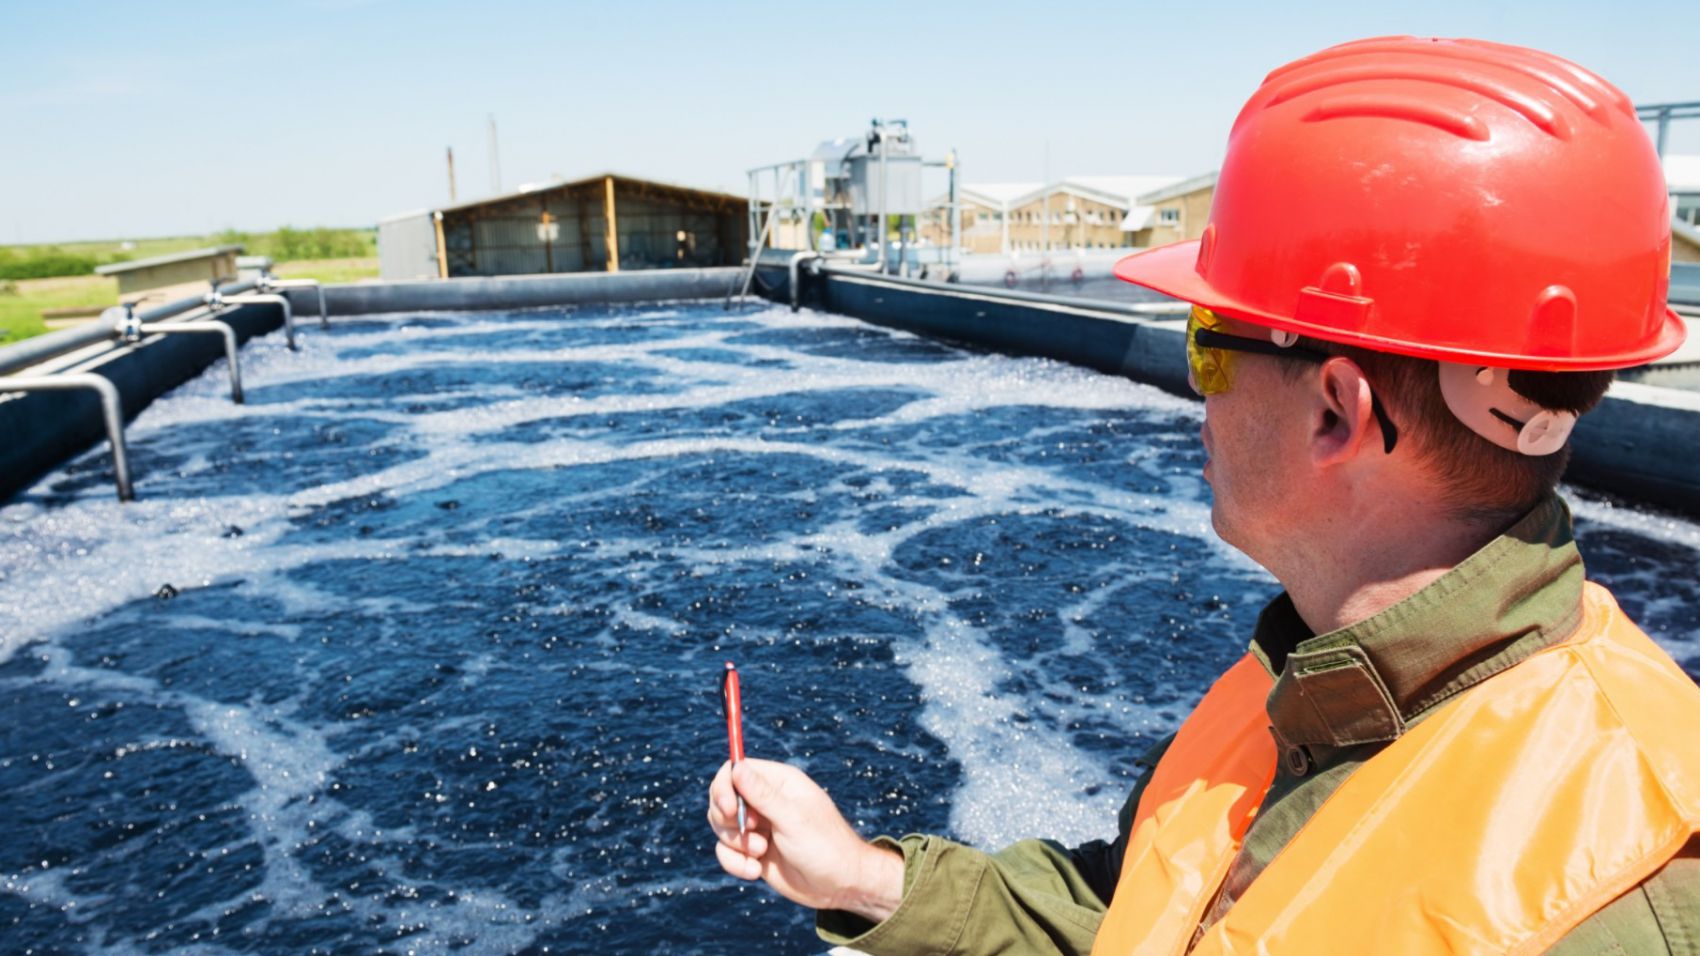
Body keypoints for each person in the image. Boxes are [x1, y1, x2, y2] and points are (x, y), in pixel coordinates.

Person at [707, 36, 1700, 953]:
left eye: (1204, 346)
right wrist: (865, 875)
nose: (1195, 399)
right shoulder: (1310, 683)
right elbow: (1134, 909)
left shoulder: (1633, 887)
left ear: (1335, 410)